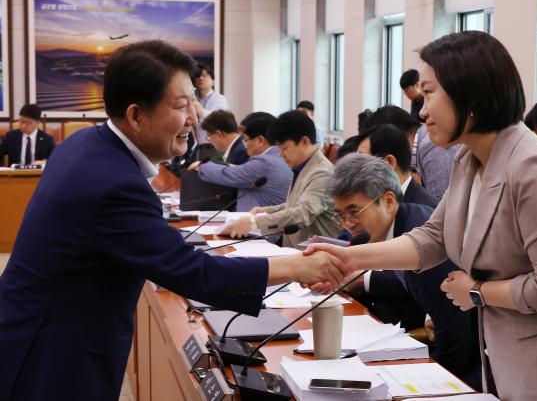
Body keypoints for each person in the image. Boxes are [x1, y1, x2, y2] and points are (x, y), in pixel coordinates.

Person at [0, 40, 347, 400]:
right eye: (182, 105)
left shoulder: (86, 143)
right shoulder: (115, 184)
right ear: (136, 115)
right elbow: (192, 272)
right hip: (51, 356)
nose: (195, 119)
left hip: (35, 330)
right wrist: (296, 268)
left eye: (194, 102)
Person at [306, 31, 537, 400]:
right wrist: (350, 258)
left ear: (470, 94)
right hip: (510, 363)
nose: (422, 111)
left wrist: (477, 292)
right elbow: (434, 238)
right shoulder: (469, 159)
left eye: (429, 94)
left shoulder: (536, 168)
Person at [328, 153, 481, 386]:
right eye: (340, 215)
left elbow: (456, 338)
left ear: (389, 201)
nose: (347, 223)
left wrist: (430, 387)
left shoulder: (420, 241)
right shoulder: (397, 229)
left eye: (354, 212)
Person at [224, 110, 340, 247]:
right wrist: (267, 211)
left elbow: (303, 213)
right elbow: (295, 204)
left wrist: (255, 223)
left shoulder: (322, 173)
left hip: (316, 256)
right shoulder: (304, 166)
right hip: (295, 252)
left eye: (284, 148)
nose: (281, 154)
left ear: (304, 141)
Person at [191, 112, 293, 212]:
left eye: (245, 139)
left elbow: (229, 175)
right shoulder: (279, 157)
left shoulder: (264, 162)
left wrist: (201, 166)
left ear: (260, 140)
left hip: (258, 226)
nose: (244, 145)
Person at [358, 124, 439, 207]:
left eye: (361, 160)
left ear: (389, 162)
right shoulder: (371, 204)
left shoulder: (428, 211)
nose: (354, 168)